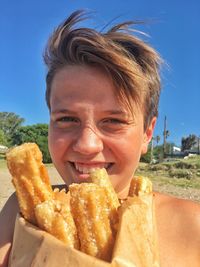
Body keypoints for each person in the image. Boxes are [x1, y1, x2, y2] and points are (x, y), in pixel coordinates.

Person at [0, 10, 200, 267]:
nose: (87, 145)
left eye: (114, 121)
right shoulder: (19, 214)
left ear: (147, 133)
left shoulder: (191, 226)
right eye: (66, 119)